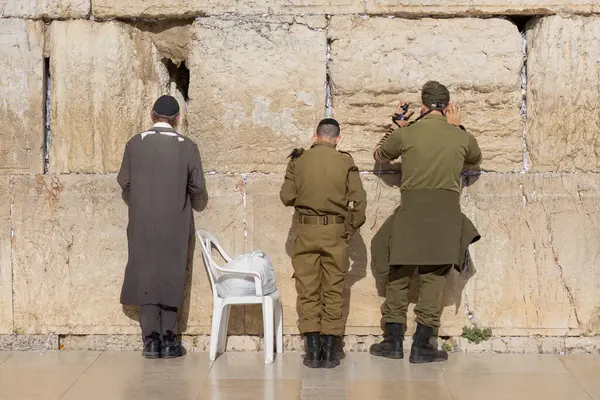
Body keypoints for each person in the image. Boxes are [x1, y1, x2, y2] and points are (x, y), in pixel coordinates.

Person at [369, 81, 482, 364]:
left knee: (399, 273)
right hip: (445, 215)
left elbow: (380, 156)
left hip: (411, 213)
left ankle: (392, 342)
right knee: (434, 278)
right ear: (447, 107)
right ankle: (422, 346)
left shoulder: (408, 133)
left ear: (422, 105)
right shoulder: (460, 137)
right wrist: (458, 128)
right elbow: (475, 160)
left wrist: (398, 126)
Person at [117, 95, 207, 359]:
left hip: (142, 222)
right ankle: (169, 339)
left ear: (151, 115)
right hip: (175, 223)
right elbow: (198, 188)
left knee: (146, 273)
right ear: (178, 119)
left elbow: (125, 183)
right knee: (171, 273)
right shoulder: (187, 147)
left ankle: (150, 342)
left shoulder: (135, 144)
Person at [280, 118, 367, 369]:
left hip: (306, 230)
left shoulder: (298, 160)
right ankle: (330, 351)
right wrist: (348, 229)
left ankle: (312, 351)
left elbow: (287, 197)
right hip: (335, 232)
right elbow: (359, 204)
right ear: (338, 138)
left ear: (315, 135)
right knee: (333, 289)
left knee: (307, 289)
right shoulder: (345, 162)